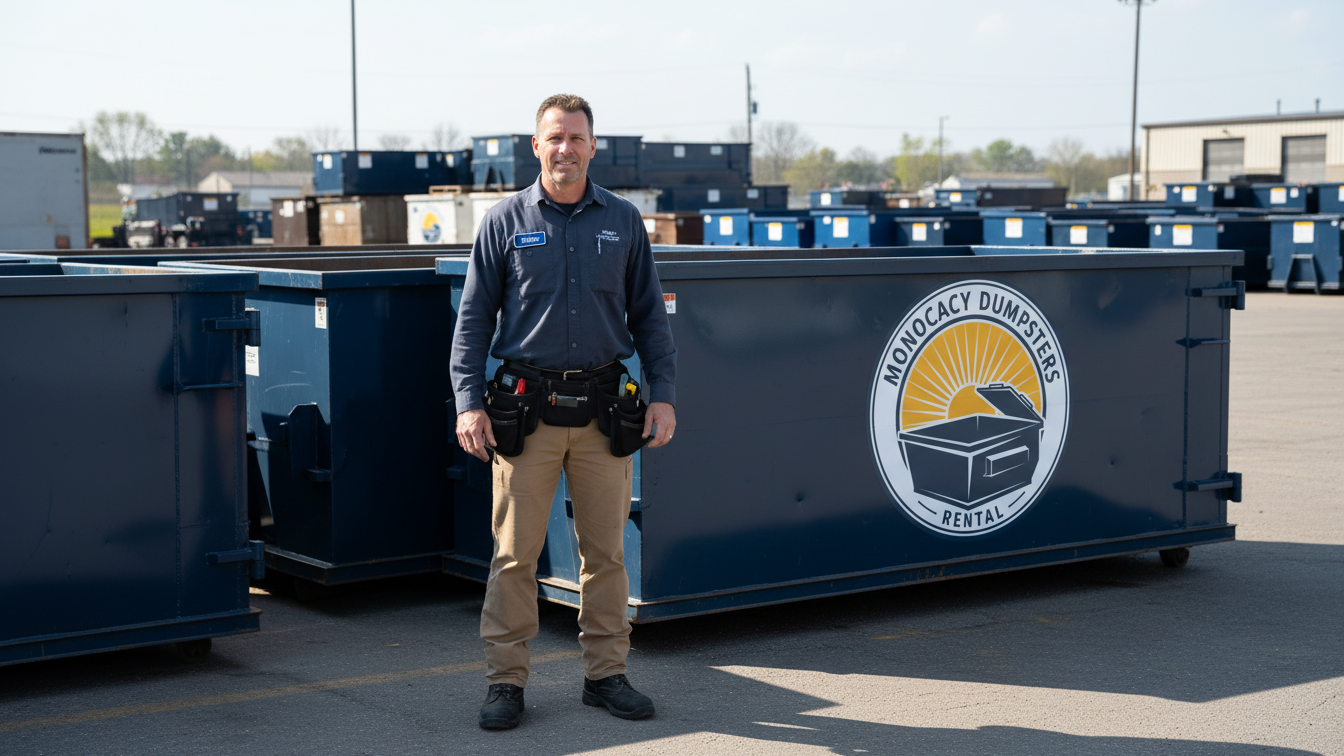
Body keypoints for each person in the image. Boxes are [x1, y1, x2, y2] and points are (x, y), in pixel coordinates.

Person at [449, 93, 677, 731]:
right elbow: (471, 324)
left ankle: (606, 676)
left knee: (605, 554)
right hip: (526, 413)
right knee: (515, 555)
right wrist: (469, 404)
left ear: (593, 146)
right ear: (536, 145)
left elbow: (650, 319)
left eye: (576, 138)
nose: (566, 149)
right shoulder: (504, 220)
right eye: (555, 137)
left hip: (607, 413)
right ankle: (505, 683)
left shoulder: (624, 222)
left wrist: (663, 395)